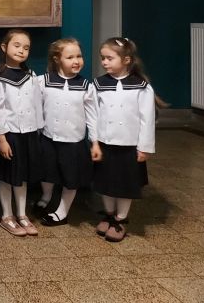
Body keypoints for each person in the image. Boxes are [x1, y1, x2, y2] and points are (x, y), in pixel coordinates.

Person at [91, 37, 159, 242]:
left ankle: (121, 219)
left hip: (130, 146)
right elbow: (94, 115)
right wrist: (95, 142)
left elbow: (147, 119)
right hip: (105, 144)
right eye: (103, 58)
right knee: (106, 183)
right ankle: (109, 214)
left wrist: (144, 147)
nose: (104, 62)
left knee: (125, 184)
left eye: (109, 58)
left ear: (126, 60)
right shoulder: (99, 84)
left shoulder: (141, 86)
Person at [36, 38, 97, 227]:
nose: (76, 61)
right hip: (48, 138)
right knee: (47, 172)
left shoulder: (87, 86)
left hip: (73, 142)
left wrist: (94, 141)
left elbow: (92, 117)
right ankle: (46, 197)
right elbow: (36, 109)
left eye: (79, 56)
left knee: (71, 178)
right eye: (70, 57)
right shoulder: (43, 82)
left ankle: (62, 212)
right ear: (57, 59)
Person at [0, 29, 44, 236]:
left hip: (29, 134)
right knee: (7, 176)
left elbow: (37, 105)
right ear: (4, 47)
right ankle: (7, 215)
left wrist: (38, 130)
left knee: (22, 176)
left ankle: (22, 214)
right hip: (10, 135)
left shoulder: (31, 76)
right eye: (17, 45)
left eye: (26, 47)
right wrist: (2, 138)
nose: (22, 50)